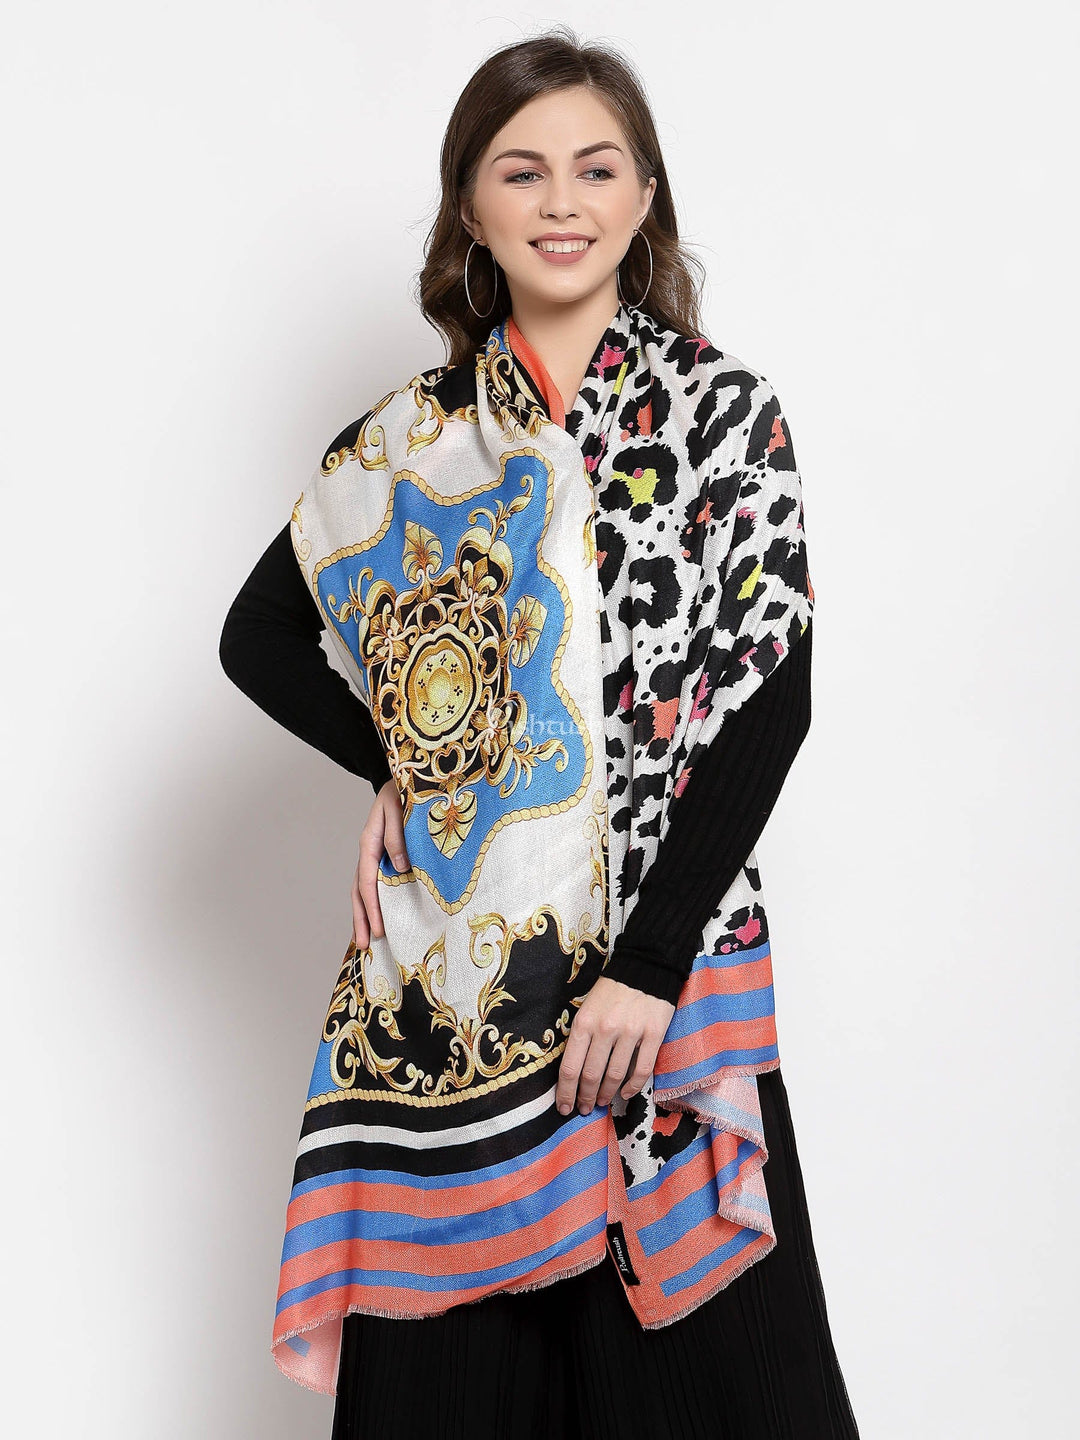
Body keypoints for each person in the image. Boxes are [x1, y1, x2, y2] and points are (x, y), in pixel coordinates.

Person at [219, 26, 861, 1440]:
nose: (562, 202)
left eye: (596, 167)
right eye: (522, 171)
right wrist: (408, 765)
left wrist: (649, 964)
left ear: (645, 196)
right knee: (450, 1403)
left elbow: (774, 697)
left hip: (662, 982)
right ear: (470, 206)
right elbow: (256, 638)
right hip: (453, 999)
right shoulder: (409, 444)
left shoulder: (718, 413)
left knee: (735, 1399)